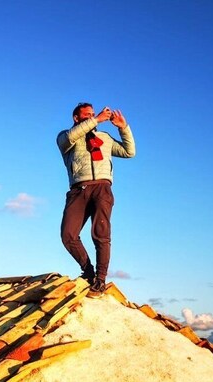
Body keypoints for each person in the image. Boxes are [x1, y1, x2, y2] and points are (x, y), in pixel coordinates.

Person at [57, 102, 135, 297]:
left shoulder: (104, 138)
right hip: (78, 190)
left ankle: (100, 280)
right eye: (87, 115)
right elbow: (70, 137)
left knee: (101, 233)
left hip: (102, 187)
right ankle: (88, 271)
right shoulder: (66, 137)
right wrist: (97, 119)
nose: (93, 117)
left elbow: (129, 152)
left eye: (94, 114)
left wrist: (123, 128)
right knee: (68, 234)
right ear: (76, 118)